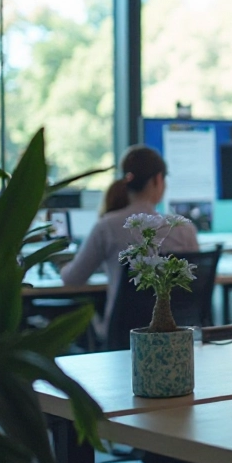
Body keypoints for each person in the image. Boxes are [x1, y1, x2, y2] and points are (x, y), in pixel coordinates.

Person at [61, 145, 199, 341]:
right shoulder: (184, 229)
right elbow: (192, 282)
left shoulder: (107, 226)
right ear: (158, 179)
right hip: (176, 334)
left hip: (123, 335)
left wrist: (61, 267)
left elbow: (72, 279)